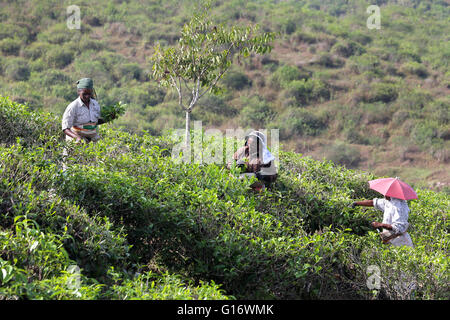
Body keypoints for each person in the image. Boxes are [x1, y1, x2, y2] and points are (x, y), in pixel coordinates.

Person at [61, 78, 105, 143]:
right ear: (78, 92)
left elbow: (95, 121)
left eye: (89, 94)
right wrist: (77, 138)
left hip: (92, 139)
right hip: (76, 139)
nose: (87, 96)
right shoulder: (73, 106)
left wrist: (108, 118)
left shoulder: (95, 104)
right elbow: (65, 128)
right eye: (84, 94)